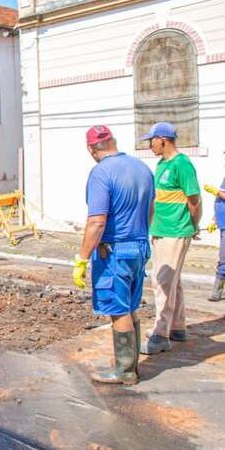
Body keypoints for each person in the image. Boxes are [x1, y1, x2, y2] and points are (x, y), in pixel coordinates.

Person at [72, 125, 154, 385]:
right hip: (139, 246)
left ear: (91, 150)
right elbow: (151, 209)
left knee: (118, 310)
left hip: (114, 251)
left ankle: (126, 371)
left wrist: (82, 259)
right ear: (113, 142)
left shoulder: (101, 173)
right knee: (130, 306)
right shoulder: (142, 168)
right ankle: (130, 365)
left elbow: (97, 221)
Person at [140, 122, 202, 355]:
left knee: (163, 282)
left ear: (163, 140)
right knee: (172, 280)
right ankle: (177, 327)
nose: (149, 145)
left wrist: (193, 226)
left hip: (175, 231)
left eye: (151, 140)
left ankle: (160, 334)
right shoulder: (162, 164)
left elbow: (194, 200)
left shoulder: (182, 164)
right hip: (161, 230)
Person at [203, 179, 225, 302]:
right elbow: (220, 202)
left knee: (224, 259)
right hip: (222, 223)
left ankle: (216, 293)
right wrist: (215, 219)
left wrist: (216, 192)